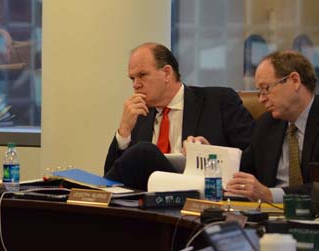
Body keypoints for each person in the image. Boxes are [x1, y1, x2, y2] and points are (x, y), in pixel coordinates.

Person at [104, 42, 256, 190]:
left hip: (201, 196)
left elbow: (254, 159)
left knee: (144, 151)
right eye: (132, 78)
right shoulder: (139, 115)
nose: (135, 84)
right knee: (142, 153)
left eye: (142, 75)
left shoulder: (219, 101)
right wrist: (123, 132)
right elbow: (111, 180)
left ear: (167, 73)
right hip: (149, 205)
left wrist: (210, 154)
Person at [225, 50, 319, 203]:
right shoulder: (267, 124)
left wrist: (270, 195)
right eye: (259, 92)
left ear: (294, 80)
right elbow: (242, 170)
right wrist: (211, 155)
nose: (262, 99)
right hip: (268, 218)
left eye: (266, 89)